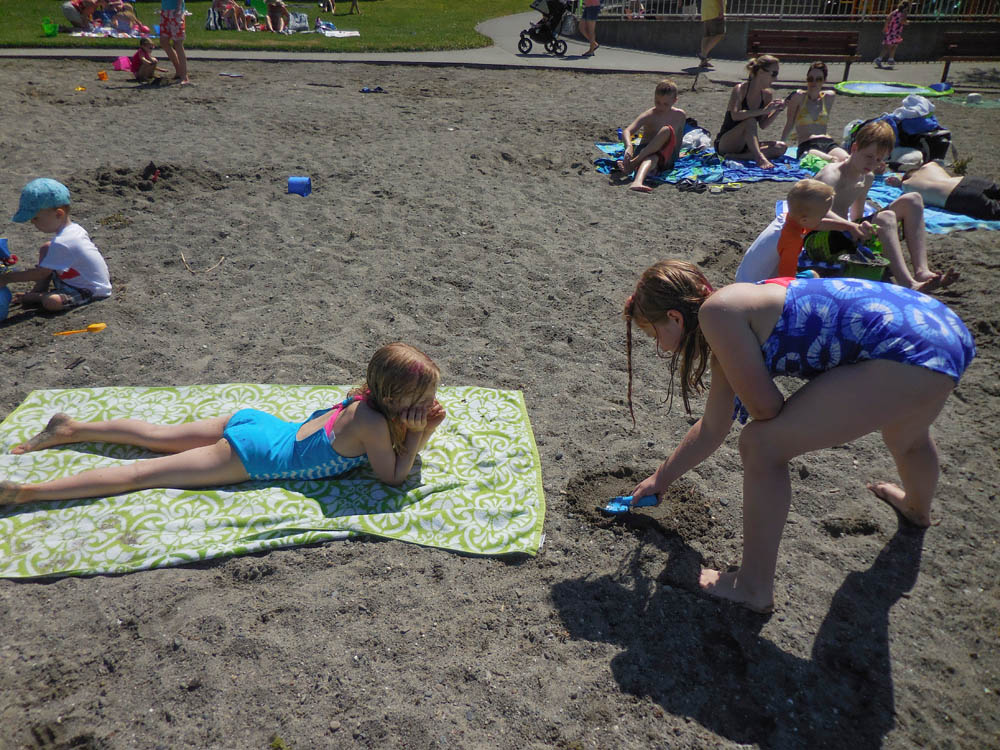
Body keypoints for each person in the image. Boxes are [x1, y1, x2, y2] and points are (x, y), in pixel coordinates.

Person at [622, 259, 975, 613]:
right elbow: (713, 428)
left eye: (655, 336)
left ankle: (752, 586)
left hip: (904, 348)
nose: (664, 348)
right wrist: (661, 478)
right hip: (938, 329)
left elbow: (766, 410)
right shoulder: (738, 305)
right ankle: (917, 509)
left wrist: (756, 392)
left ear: (675, 318)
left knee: (761, 445)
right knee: (908, 438)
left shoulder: (718, 315)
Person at [0, 343, 445, 507]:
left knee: (154, 436)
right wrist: (420, 435)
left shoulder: (360, 400)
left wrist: (413, 426)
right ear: (392, 398)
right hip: (251, 455)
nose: (429, 405)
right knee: (141, 475)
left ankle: (72, 429)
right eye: (421, 400)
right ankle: (27, 492)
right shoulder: (371, 421)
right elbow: (393, 477)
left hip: (256, 422)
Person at [815, 120, 957, 292]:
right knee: (885, 217)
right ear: (854, 148)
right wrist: (853, 226)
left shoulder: (866, 177)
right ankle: (908, 283)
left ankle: (922, 271)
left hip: (846, 232)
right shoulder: (833, 175)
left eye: (878, 159)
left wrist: (862, 226)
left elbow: (857, 215)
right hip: (821, 237)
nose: (872, 163)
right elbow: (816, 214)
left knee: (913, 199)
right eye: (868, 156)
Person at [1, 178, 111, 312]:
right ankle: (39, 289)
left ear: (59, 214)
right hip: (71, 278)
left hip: (88, 289)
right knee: (46, 247)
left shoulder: (63, 242)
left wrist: (7, 278)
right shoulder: (74, 229)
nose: (32, 222)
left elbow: (40, 273)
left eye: (35, 218)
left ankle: (38, 296)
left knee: (51, 302)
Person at [734, 178, 874, 283]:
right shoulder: (791, 240)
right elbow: (786, 282)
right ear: (805, 220)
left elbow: (818, 225)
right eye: (823, 215)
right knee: (814, 277)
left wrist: (850, 226)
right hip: (755, 290)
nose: (824, 217)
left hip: (743, 279)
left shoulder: (788, 220)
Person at [715, 55, 787, 170]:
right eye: (774, 74)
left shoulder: (767, 95)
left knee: (781, 147)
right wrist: (763, 110)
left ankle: (738, 157)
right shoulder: (740, 89)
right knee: (750, 121)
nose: (776, 79)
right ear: (761, 72)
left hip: (747, 144)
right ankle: (759, 157)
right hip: (727, 142)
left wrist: (777, 110)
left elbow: (763, 125)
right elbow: (735, 115)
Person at [615, 79, 687, 193]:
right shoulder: (650, 114)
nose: (661, 107)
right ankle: (637, 181)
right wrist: (629, 146)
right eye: (657, 102)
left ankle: (633, 164)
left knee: (666, 130)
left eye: (665, 104)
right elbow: (627, 131)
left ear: (675, 101)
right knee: (652, 157)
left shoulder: (680, 115)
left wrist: (676, 155)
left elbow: (678, 138)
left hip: (665, 154)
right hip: (645, 151)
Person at [780, 62, 849, 163]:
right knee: (832, 160)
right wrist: (781, 143)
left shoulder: (828, 97)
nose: (814, 82)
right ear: (806, 79)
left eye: (819, 79)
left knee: (847, 160)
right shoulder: (799, 98)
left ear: (824, 80)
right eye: (810, 79)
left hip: (827, 142)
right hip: (807, 145)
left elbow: (830, 92)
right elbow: (789, 123)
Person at [886, 161, 1000, 221]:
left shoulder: (906, 186)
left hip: (956, 196)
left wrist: (898, 183)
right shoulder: (929, 166)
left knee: (995, 211)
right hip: (966, 181)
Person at [160, 0, 190, 85]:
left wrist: (179, 8)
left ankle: (184, 76)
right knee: (164, 41)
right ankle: (179, 70)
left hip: (176, 10)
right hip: (165, 9)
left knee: (177, 43)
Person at [874, 1, 909, 69]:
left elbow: (888, 18)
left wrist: (885, 27)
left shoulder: (895, 11)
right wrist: (907, 22)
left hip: (891, 29)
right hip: (896, 31)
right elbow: (902, 21)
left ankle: (891, 59)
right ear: (907, 6)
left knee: (894, 45)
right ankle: (879, 59)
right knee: (889, 46)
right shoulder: (904, 12)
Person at [699, 0, 725, 69]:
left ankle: (703, 61)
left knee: (706, 36)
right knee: (719, 34)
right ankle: (703, 54)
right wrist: (722, 10)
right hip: (714, 12)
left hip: (706, 12)